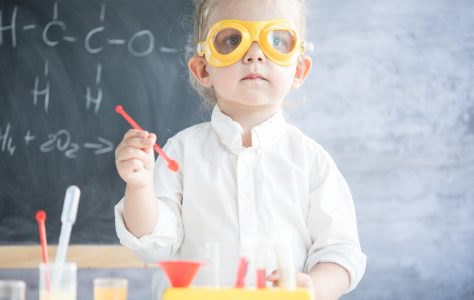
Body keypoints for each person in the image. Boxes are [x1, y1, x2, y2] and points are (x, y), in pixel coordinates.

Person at [114, 0, 366, 299]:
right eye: (233, 40)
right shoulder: (181, 152)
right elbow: (154, 244)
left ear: (299, 69)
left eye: (277, 41)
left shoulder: (312, 162)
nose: (255, 54)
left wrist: (314, 287)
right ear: (202, 69)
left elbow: (340, 253)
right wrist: (140, 186)